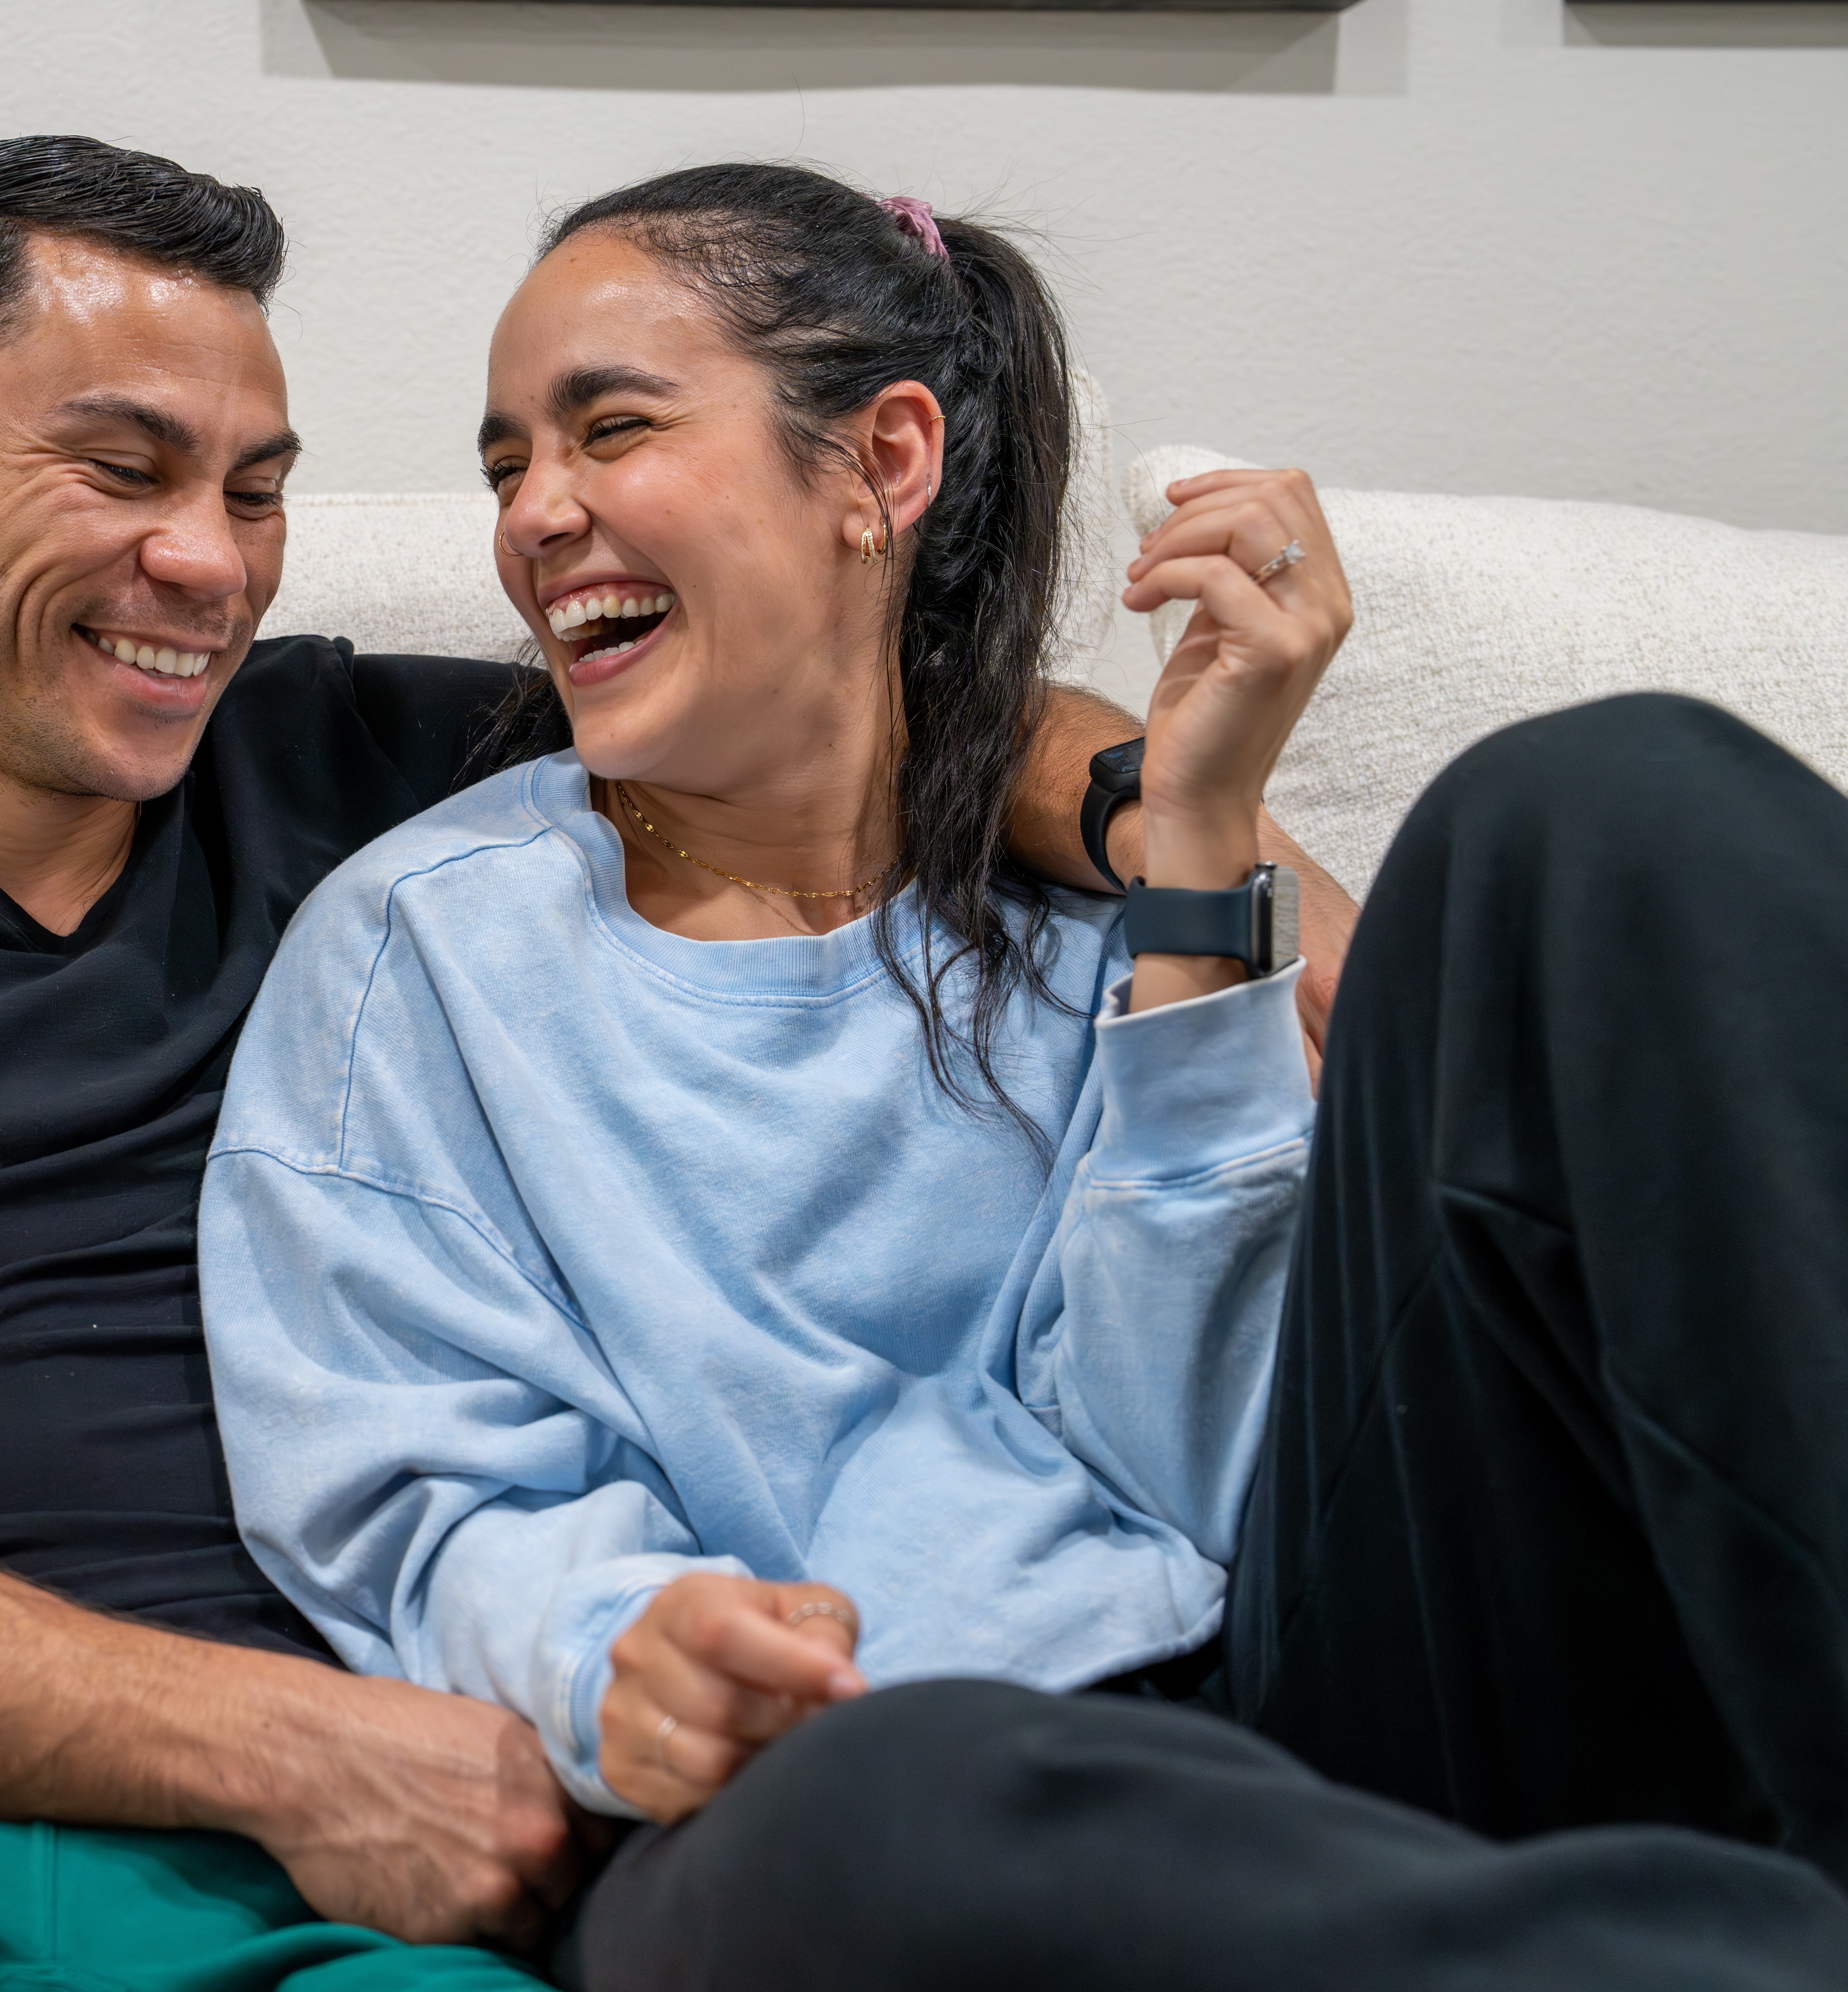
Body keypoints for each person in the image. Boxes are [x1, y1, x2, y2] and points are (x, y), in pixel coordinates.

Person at [0, 139, 1337, 1991]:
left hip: (364, 1911)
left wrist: (1255, 884)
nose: (209, 567)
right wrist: (296, 1750)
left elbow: (871, 709)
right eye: (123, 470)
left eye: (253, 488)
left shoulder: (357, 777)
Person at [198, 163, 1848, 1989]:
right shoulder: (415, 958)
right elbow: (420, 1496)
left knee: (1613, 810)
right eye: (510, 462)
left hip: (1309, 1672)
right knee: (895, 1791)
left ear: (884, 465)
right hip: (820, 1793)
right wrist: (618, 1653)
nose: (537, 514)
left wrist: (1205, 864)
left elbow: (1197, 1464)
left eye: (612, 430)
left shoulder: (1106, 874)